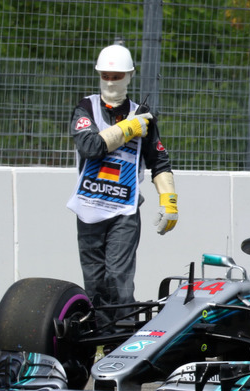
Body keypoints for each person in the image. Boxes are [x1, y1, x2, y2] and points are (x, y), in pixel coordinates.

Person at [67, 44, 178, 328]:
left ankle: (122, 344)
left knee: (119, 281)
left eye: (117, 76)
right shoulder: (85, 107)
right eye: (105, 75)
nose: (110, 81)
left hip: (124, 211)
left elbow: (159, 161)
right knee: (93, 285)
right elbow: (90, 146)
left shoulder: (144, 115)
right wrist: (128, 128)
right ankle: (92, 343)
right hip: (89, 209)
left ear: (129, 76)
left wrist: (169, 201)